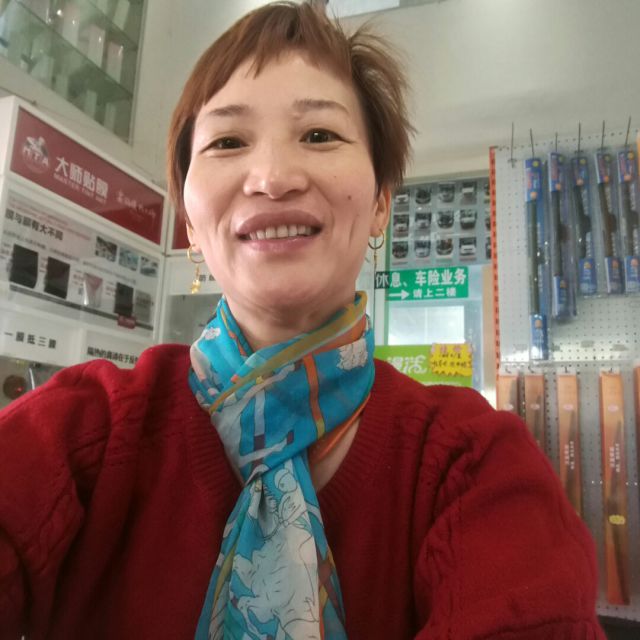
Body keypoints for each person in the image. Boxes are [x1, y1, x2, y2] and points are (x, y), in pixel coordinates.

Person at [0, 2, 605, 639]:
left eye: (319, 135)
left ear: (380, 202)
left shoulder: (474, 463)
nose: (272, 178)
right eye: (228, 142)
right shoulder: (84, 433)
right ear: (189, 224)